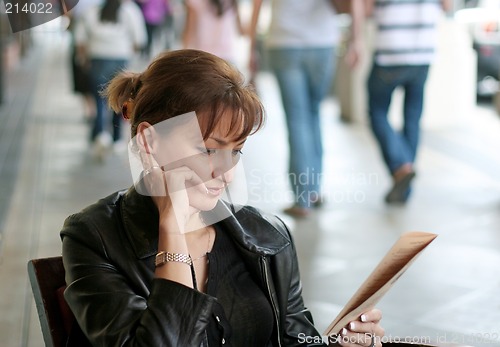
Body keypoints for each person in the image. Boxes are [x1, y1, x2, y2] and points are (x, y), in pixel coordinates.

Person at [60, 49, 385, 346]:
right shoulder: (93, 236)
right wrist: (172, 229)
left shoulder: (267, 235)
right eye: (209, 149)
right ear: (149, 142)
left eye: (235, 152)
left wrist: (342, 344)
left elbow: (296, 340)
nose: (225, 172)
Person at [248, 0, 365, 217]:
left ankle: (302, 198)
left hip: (284, 43)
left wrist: (252, 48)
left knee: (297, 118)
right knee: (313, 114)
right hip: (322, 42)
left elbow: (257, 5)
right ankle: (313, 190)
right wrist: (356, 41)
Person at [365, 0, 451, 204]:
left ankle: (400, 166)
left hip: (391, 49)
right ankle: (404, 186)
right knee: (412, 119)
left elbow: (367, 8)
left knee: (376, 111)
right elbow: (447, 6)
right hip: (423, 50)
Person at [75, 0, 147, 161]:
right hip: (120, 60)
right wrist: (129, 52)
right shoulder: (129, 10)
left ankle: (101, 134)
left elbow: (80, 39)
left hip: (96, 59)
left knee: (99, 99)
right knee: (120, 98)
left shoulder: (91, 11)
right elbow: (139, 39)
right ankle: (117, 138)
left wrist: (82, 59)